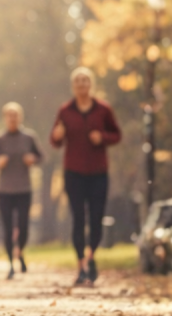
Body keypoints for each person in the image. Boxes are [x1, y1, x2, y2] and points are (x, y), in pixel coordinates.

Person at [50, 67, 122, 285]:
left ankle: (91, 258)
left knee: (96, 218)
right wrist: (58, 135)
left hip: (98, 172)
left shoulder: (103, 109)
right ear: (73, 86)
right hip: (73, 173)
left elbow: (117, 135)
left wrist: (102, 137)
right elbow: (55, 141)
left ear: (91, 85)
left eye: (85, 81)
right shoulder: (65, 110)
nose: (82, 84)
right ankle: (81, 265)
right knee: (78, 219)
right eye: (78, 81)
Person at [0, 101, 42, 279]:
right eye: (9, 115)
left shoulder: (29, 138)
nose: (12, 118)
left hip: (24, 189)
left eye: (15, 115)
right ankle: (11, 263)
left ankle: (21, 251)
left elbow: (41, 157)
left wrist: (32, 159)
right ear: (5, 118)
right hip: (4, 191)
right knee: (8, 228)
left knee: (24, 227)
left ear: (20, 117)